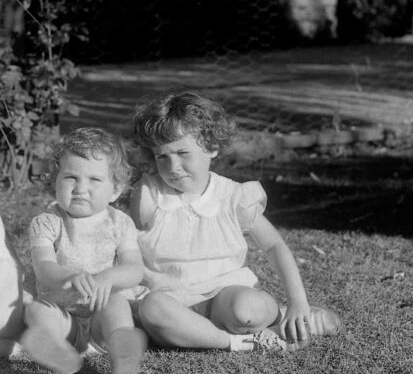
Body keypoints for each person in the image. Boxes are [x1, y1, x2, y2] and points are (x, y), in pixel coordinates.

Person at [130, 92, 342, 352]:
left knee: (246, 309)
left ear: (211, 146)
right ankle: (243, 343)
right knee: (152, 307)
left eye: (182, 152)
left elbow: (274, 245)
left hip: (224, 294)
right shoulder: (150, 195)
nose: (173, 166)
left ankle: (287, 316)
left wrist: (299, 302)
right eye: (162, 156)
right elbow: (124, 243)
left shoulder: (233, 196)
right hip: (172, 300)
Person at [20, 127, 148, 374]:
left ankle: (122, 351)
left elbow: (135, 269)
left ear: (115, 190)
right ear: (55, 180)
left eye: (94, 180)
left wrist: (107, 278)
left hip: (101, 315)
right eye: (70, 177)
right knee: (37, 312)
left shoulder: (120, 223)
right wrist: (69, 275)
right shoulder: (47, 223)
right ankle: (60, 354)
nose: (80, 188)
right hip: (64, 316)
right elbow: (44, 267)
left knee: (117, 305)